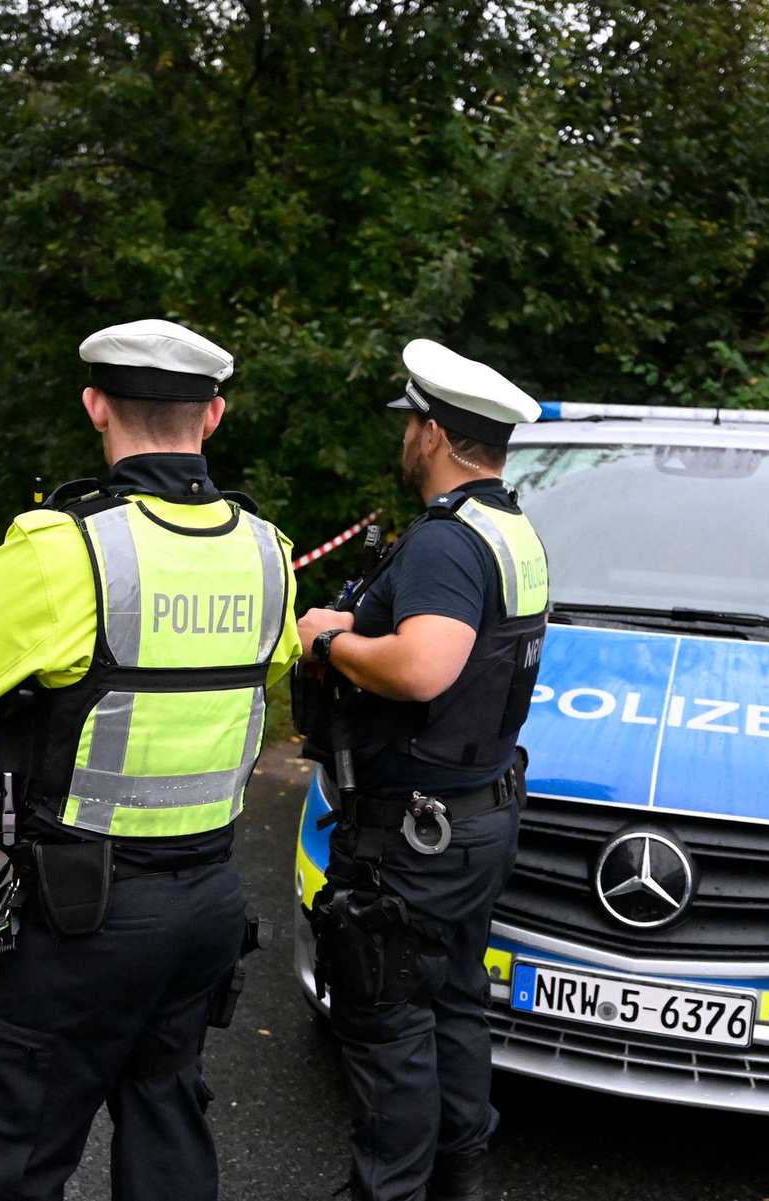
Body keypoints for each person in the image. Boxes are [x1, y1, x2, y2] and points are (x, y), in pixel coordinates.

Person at [0, 317, 300, 1201]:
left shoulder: (61, 547)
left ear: (95, 406)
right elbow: (261, 671)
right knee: (166, 1127)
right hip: (208, 902)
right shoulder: (269, 552)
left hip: (81, 914)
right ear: (215, 415)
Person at [296, 339, 549, 1201]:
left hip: (417, 829)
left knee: (389, 1016)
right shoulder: (509, 527)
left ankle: (388, 1191)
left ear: (434, 432)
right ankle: (457, 1182)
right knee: (451, 1001)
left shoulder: (445, 541)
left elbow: (426, 666)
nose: (405, 435)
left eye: (411, 422)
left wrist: (329, 639)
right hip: (474, 815)